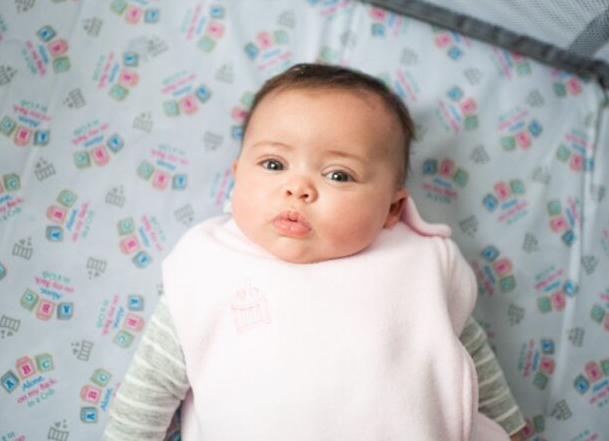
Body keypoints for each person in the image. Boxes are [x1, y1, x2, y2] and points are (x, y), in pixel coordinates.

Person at [103, 63, 525, 440]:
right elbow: (151, 385)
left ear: (392, 208)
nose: (298, 188)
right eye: (273, 164)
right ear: (237, 177)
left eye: (338, 174)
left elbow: (467, 361)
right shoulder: (208, 264)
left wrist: (510, 427)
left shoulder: (420, 265)